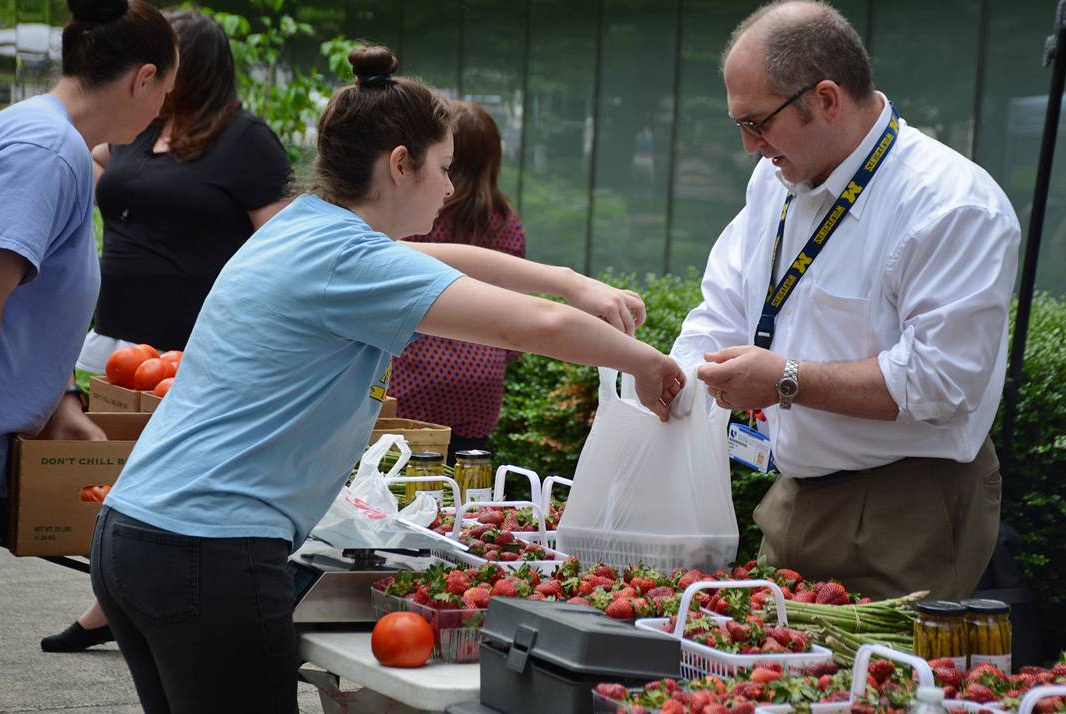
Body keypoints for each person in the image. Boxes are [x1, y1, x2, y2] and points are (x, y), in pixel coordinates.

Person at [90, 45, 684, 712]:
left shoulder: (304, 228)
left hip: (136, 535)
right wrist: (651, 365)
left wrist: (573, 282)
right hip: (209, 553)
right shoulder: (351, 261)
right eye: (444, 168)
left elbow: (438, 257)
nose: (452, 188)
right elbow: (536, 328)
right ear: (401, 164)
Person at [670, 0, 1020, 601]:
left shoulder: (951, 204)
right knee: (763, 672)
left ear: (827, 99)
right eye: (740, 126)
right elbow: (725, 306)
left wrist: (786, 381)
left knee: (871, 685)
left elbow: (941, 382)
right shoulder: (776, 178)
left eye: (758, 123)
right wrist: (671, 381)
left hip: (907, 505)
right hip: (793, 493)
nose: (750, 147)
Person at [40, 8, 292, 654]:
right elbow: (94, 162)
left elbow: (284, 244)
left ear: (196, 66)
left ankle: (110, 609)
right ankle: (116, 599)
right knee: (116, 483)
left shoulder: (243, 140)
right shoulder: (136, 128)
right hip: (112, 343)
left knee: (154, 487)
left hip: (184, 352)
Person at [0, 0, 178, 684]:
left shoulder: (43, 140)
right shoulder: (47, 151)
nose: (164, 107)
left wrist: (62, 396)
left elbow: (24, 304)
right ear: (141, 79)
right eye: (167, 89)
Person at [390, 100, 524, 460]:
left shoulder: (420, 213)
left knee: (404, 477)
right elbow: (515, 310)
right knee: (465, 480)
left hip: (415, 373)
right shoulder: (503, 219)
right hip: (482, 379)